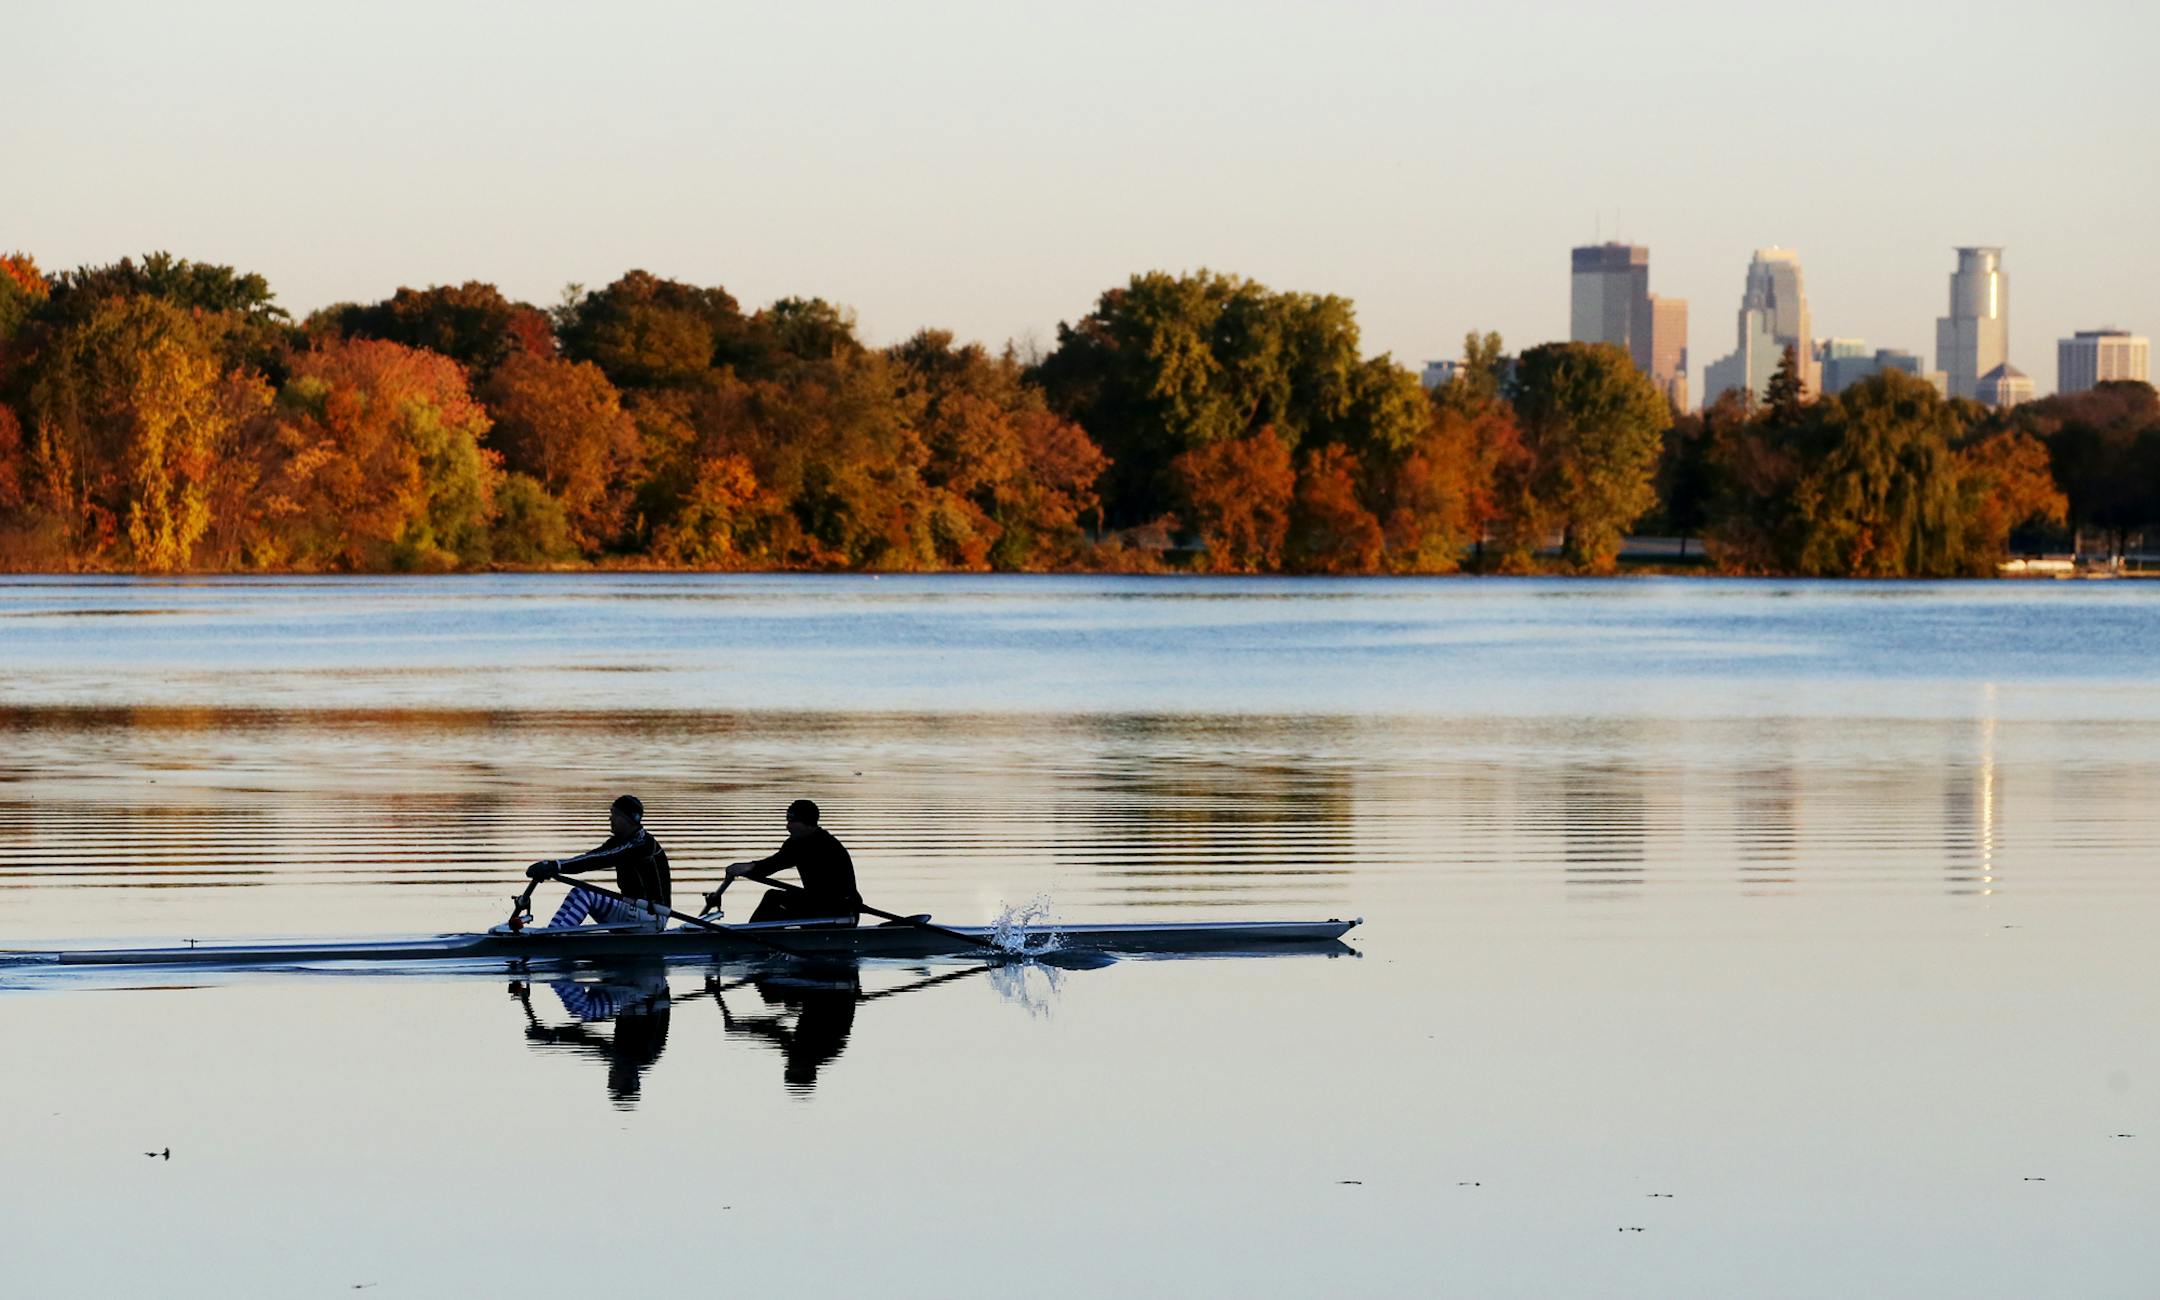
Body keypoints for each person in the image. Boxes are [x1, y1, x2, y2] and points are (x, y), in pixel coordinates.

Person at [520, 794, 672, 930]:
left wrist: (554, 866)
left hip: (653, 916)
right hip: (636, 912)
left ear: (627, 819)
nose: (610, 819)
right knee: (578, 892)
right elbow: (592, 856)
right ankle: (551, 932)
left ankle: (550, 941)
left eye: (614, 814)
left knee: (584, 893)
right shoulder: (620, 842)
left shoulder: (641, 844)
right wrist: (554, 867)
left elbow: (596, 860)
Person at [708, 799, 861, 925]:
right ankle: (762, 935)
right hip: (819, 902)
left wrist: (747, 867)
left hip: (842, 909)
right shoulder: (796, 842)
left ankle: (755, 938)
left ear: (808, 824)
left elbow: (772, 865)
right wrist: (749, 868)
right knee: (777, 899)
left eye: (793, 821)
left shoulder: (822, 844)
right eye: (788, 820)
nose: (788, 826)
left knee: (773, 898)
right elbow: (772, 864)